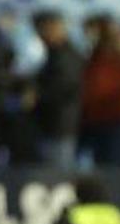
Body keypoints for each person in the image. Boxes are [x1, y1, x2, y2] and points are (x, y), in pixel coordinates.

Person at [78, 15, 120, 169]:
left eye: (91, 31)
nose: (88, 36)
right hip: (95, 120)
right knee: (101, 167)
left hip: (115, 120)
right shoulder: (93, 58)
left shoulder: (118, 55)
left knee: (115, 168)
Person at [32, 11, 85, 168]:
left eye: (45, 30)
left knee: (58, 178)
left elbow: (64, 88)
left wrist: (37, 95)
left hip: (62, 127)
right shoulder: (54, 55)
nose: (42, 35)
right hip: (52, 126)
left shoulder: (68, 57)